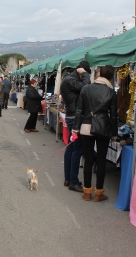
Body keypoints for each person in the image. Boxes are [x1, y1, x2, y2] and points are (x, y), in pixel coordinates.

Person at [72, 65, 117, 201]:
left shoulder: (86, 89)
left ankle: (87, 192)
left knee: (88, 159)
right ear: (110, 76)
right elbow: (113, 116)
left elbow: (79, 111)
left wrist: (75, 129)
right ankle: (99, 193)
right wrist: (114, 134)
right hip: (103, 127)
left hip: (86, 127)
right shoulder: (111, 92)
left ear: (99, 73)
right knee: (101, 160)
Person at [60, 61, 91, 192]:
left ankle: (68, 179)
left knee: (71, 149)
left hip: (72, 116)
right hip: (75, 118)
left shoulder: (69, 80)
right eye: (85, 72)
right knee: (76, 150)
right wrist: (84, 73)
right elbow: (86, 87)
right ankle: (73, 181)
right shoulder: (70, 80)